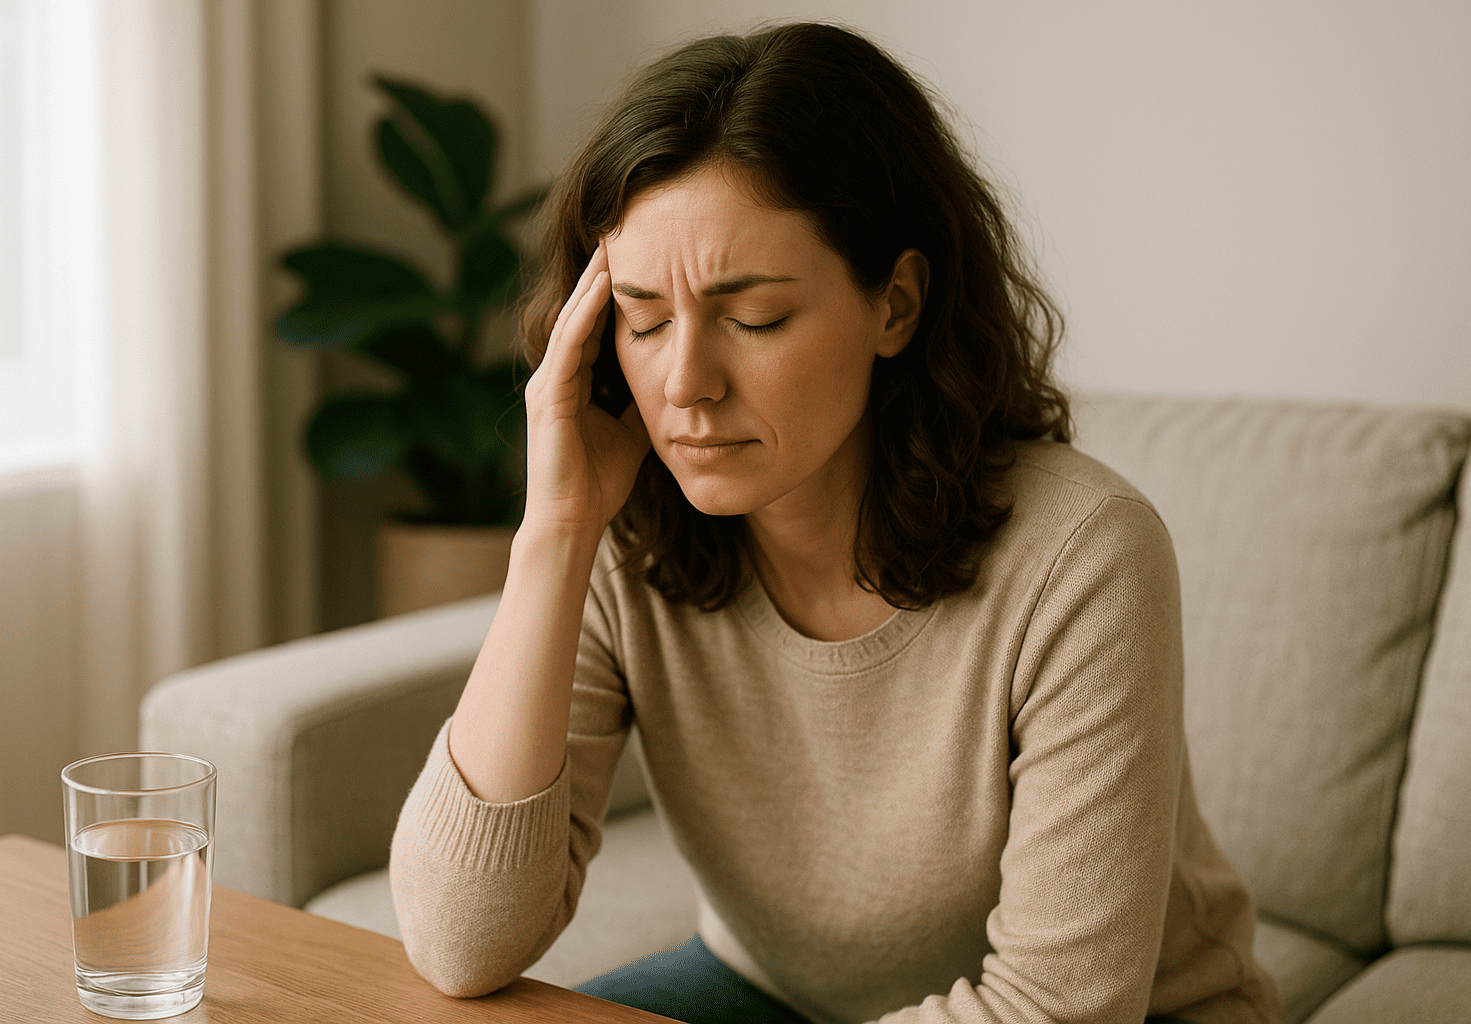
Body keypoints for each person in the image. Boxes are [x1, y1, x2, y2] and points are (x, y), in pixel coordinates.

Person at [389, 22, 1281, 1024]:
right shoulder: (625, 530)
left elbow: (1055, 1009)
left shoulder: (1085, 554)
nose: (684, 383)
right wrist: (554, 532)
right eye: (642, 320)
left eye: (753, 318)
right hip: (770, 992)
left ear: (895, 304)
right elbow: (458, 944)